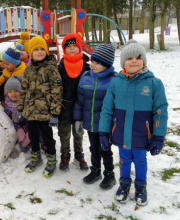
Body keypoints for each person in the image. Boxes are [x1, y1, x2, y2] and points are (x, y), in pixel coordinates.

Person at [98, 40, 168, 205]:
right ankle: (124, 183)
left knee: (140, 160)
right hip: (121, 134)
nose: (134, 60)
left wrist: (158, 136)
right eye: (129, 58)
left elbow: (160, 111)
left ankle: (141, 185)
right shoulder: (116, 82)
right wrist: (103, 132)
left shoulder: (154, 83)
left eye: (138, 57)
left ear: (144, 60)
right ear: (123, 62)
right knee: (124, 160)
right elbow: (107, 108)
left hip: (141, 135)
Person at [17, 36, 63, 177]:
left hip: (45, 112)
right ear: (31, 52)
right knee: (33, 136)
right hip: (30, 111)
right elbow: (24, 89)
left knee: (47, 137)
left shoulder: (51, 69)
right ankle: (36, 158)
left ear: (46, 51)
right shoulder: (28, 69)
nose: (39, 52)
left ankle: (51, 160)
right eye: (36, 49)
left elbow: (57, 91)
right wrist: (21, 108)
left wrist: (54, 113)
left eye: (42, 49)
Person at [73, 43, 117, 190]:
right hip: (91, 123)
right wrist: (78, 119)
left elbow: (116, 106)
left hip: (105, 125)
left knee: (105, 149)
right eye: (92, 60)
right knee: (93, 148)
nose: (93, 64)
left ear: (106, 63)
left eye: (97, 62)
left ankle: (109, 174)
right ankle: (96, 171)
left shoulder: (114, 81)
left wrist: (114, 124)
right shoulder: (86, 78)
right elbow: (79, 101)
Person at [57, 33, 90, 171]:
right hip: (64, 106)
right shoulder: (60, 66)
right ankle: (65, 154)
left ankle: (79, 154)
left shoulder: (86, 67)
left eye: (74, 46)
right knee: (64, 133)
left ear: (79, 47)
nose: (71, 49)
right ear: (64, 49)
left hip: (80, 106)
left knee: (78, 132)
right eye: (68, 46)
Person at [4, 76, 31, 152]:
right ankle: (20, 134)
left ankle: (30, 136)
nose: (13, 94)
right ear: (7, 93)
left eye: (16, 91)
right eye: (10, 92)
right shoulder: (8, 103)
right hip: (17, 125)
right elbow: (7, 115)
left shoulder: (25, 101)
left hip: (27, 124)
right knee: (23, 148)